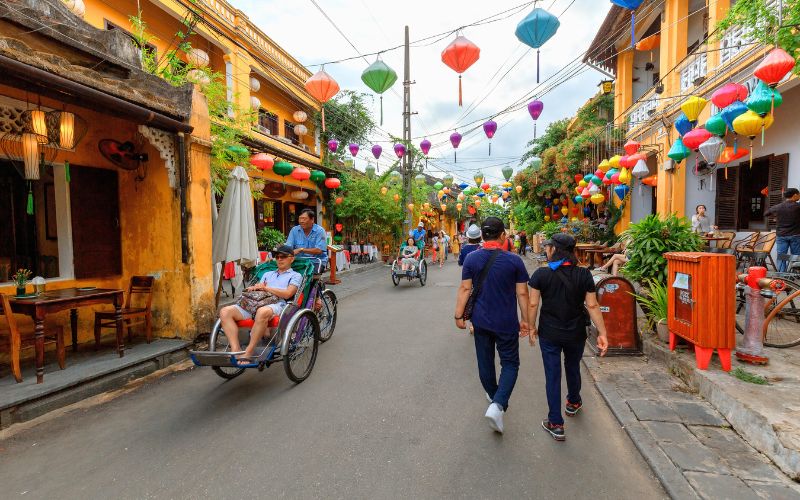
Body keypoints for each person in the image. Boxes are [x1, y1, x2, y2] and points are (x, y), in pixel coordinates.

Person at [527, 234, 608, 441]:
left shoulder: (541, 275)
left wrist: (531, 327)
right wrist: (603, 333)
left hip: (550, 333)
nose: (546, 249)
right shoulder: (584, 275)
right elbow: (592, 305)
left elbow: (533, 304)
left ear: (555, 250)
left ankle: (555, 423)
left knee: (552, 375)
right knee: (572, 366)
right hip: (575, 332)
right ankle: (573, 402)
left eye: (548, 247)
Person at [454, 217, 530, 434]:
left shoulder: (471, 259)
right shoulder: (514, 261)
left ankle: (495, 397)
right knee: (510, 364)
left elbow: (464, 289)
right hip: (506, 322)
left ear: (482, 236)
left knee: (484, 361)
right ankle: (498, 405)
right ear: (503, 235)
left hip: (480, 321)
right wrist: (526, 320)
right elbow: (522, 292)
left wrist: (458, 316)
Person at [218, 246, 303, 363]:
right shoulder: (268, 274)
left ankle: (249, 351)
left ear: (291, 259)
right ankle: (236, 348)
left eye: (283, 257)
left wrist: (266, 288)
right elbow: (259, 288)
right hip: (257, 302)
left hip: (278, 303)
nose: (279, 259)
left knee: (262, 311)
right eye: (277, 257)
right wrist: (253, 288)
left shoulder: (295, 276)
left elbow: (288, 294)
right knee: (224, 311)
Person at [766, 188, 800, 272]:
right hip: (796, 235)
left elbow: (766, 213)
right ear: (795, 195)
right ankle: (795, 273)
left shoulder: (778, 207)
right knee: (796, 255)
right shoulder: (798, 206)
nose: (799, 196)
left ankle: (782, 275)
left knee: (781, 256)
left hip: (781, 235)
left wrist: (776, 217)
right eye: (799, 194)